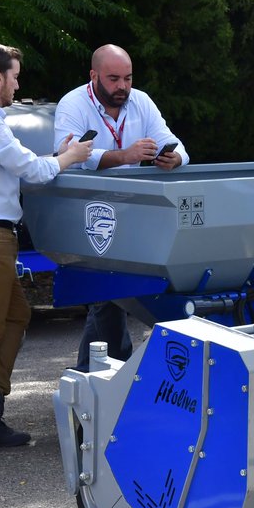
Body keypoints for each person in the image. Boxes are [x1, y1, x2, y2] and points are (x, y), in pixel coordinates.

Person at [0, 40, 93, 447]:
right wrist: (71, 157)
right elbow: (31, 169)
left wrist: (56, 156)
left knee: (16, 315)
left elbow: (19, 166)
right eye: (13, 76)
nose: (16, 84)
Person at [54, 44, 190, 372]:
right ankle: (105, 378)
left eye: (128, 78)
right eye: (114, 79)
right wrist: (125, 156)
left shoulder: (140, 101)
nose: (122, 87)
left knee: (114, 298)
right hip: (92, 214)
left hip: (137, 215)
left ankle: (97, 377)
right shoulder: (72, 104)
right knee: (108, 296)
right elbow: (69, 158)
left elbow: (175, 142)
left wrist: (175, 158)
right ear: (93, 76)